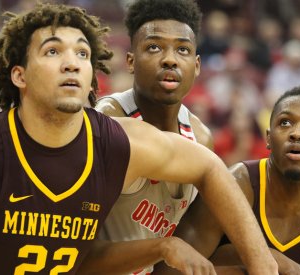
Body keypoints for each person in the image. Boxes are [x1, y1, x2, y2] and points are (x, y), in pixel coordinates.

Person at [0, 3, 279, 275]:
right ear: (19, 76)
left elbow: (208, 166)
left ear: (91, 78)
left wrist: (263, 265)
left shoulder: (120, 144)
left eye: (83, 54)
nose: (71, 61)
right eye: (52, 52)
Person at [156, 86, 300, 274]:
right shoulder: (233, 185)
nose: (297, 133)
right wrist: (262, 259)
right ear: (268, 138)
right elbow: (169, 271)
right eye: (285, 122)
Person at [95, 0, 213, 274]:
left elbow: (198, 237)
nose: (170, 59)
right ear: (131, 61)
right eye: (154, 47)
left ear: (196, 66)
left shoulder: (201, 137)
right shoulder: (107, 121)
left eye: (182, 49)